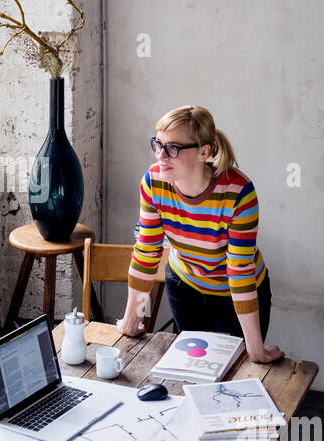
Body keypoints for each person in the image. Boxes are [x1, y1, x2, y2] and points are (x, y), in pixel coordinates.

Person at [118, 105, 284, 364]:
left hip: (235, 293)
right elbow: (147, 252)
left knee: (239, 370)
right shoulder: (153, 181)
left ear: (204, 152)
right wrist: (132, 320)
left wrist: (257, 350)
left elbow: (239, 270)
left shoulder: (239, 192)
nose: (161, 155)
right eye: (157, 144)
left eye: (173, 148)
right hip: (185, 286)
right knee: (192, 368)